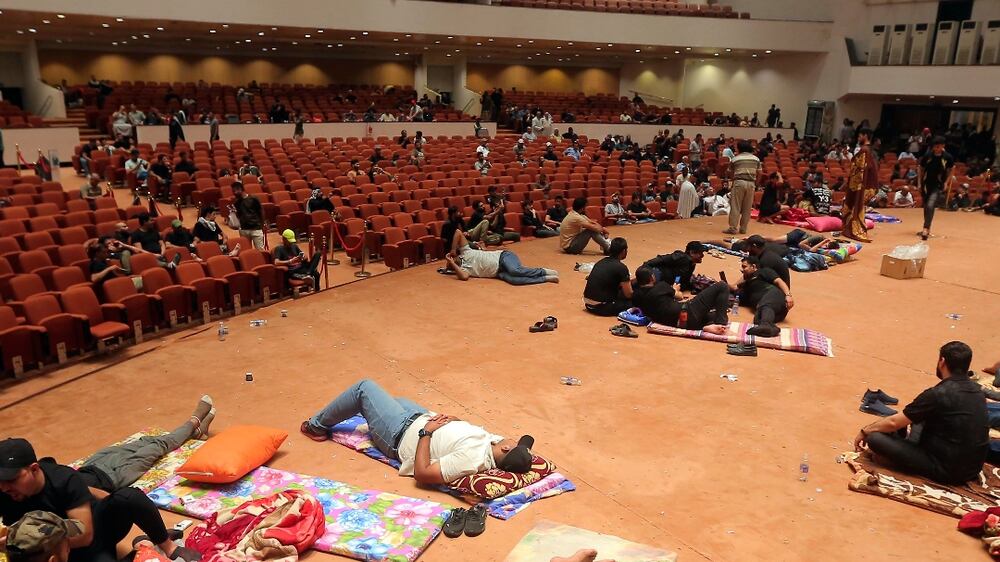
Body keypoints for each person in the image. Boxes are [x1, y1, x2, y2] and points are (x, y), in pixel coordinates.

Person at [300, 379, 537, 484]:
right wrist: (456, 422)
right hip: (418, 419)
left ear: (507, 448)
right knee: (395, 399)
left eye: (516, 442)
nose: (513, 439)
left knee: (364, 388)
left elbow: (423, 474)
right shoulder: (492, 448)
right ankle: (374, 413)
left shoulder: (470, 460)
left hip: (399, 435)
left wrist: (427, 433)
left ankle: (315, 426)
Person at [0, 439, 200, 562]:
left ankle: (166, 545)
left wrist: (34, 544)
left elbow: (85, 535)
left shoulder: (63, 479)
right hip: (56, 548)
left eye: (11, 479)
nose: (4, 486)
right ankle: (144, 546)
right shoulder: (6, 492)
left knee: (128, 496)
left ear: (34, 469)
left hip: (93, 535)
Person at [854, 341, 988, 485]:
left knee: (875, 438)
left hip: (946, 470)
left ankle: (898, 458)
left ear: (942, 361)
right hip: (972, 468)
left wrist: (865, 430)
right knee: (912, 417)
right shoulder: (978, 392)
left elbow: (894, 422)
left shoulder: (938, 393)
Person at [632, 266, 730, 334]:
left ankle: (705, 327)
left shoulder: (636, 295)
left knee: (713, 314)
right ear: (652, 277)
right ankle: (720, 323)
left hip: (679, 323)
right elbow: (679, 296)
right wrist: (674, 289)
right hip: (687, 311)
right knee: (722, 286)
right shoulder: (660, 286)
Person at [443, 230, 558, 285]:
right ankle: (546, 278)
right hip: (498, 273)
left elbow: (458, 232)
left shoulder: (465, 251)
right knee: (514, 281)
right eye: (452, 264)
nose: (453, 261)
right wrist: (451, 264)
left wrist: (452, 250)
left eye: (453, 259)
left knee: (515, 271)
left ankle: (543, 271)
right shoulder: (464, 269)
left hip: (502, 257)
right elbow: (463, 277)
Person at [733, 255, 794, 337]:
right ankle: (772, 328)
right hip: (772, 312)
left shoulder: (763, 271)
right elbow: (735, 290)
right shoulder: (746, 286)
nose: (742, 270)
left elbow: (779, 281)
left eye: (744, 267)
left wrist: (788, 295)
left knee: (766, 306)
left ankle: (766, 325)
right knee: (757, 320)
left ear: (753, 266)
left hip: (775, 296)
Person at [917, 136, 955, 240]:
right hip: (926, 184)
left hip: (938, 185)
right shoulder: (928, 156)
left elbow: (951, 169)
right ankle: (927, 228)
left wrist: (946, 182)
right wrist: (919, 183)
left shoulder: (947, 157)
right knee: (926, 206)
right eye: (935, 147)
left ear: (943, 146)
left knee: (930, 205)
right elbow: (921, 168)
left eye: (938, 147)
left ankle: (925, 228)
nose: (936, 149)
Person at [842, 128, 876, 243]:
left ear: (865, 136)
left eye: (860, 135)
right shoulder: (869, 150)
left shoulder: (864, 150)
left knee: (857, 207)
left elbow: (860, 170)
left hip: (860, 185)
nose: (858, 138)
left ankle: (856, 229)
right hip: (863, 184)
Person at [583, 237, 632, 316]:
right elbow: (628, 294)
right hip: (602, 307)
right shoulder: (621, 267)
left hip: (588, 304)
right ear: (623, 251)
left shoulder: (600, 262)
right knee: (635, 302)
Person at [725, 141, 760, 234]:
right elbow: (759, 172)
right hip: (751, 183)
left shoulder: (735, 159)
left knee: (736, 206)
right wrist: (756, 183)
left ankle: (733, 228)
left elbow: (730, 172)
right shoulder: (756, 159)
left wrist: (733, 181)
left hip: (739, 182)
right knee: (747, 207)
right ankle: (743, 228)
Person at [231, 182, 264, 250]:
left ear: (241, 189)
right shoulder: (236, 203)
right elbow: (239, 216)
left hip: (256, 228)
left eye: (236, 190)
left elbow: (261, 212)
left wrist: (262, 225)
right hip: (244, 230)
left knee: (260, 251)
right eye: (233, 191)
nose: (234, 193)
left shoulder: (253, 199)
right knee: (247, 251)